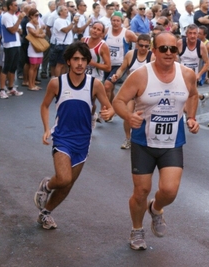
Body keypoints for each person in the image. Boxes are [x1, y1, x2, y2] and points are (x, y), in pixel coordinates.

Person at [112, 31, 199, 250]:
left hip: (173, 142)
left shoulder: (187, 74)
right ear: (154, 51)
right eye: (163, 49)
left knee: (169, 191)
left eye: (173, 49)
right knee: (141, 191)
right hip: (144, 143)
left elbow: (193, 95)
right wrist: (128, 116)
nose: (169, 53)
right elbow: (119, 101)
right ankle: (137, 228)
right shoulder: (141, 75)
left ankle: (156, 209)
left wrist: (191, 118)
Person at [33, 41, 114, 230]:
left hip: (83, 141)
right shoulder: (56, 83)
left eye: (83, 59)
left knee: (68, 185)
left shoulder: (95, 84)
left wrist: (109, 112)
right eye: (76, 59)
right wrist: (46, 129)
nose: (79, 63)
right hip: (62, 137)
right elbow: (44, 105)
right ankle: (47, 184)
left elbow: (108, 106)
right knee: (63, 179)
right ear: (68, 61)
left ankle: (45, 213)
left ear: (88, 62)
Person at [110, 34, 155, 149]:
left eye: (146, 46)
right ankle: (128, 138)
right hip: (131, 91)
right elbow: (122, 68)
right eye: (141, 45)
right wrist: (117, 76)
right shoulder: (130, 55)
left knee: (148, 117)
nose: (144, 48)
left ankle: (148, 139)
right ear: (136, 44)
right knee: (128, 115)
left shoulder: (152, 57)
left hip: (146, 91)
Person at [82, 21, 112, 128]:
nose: (95, 31)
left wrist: (92, 63)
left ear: (102, 34)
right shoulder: (83, 40)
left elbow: (108, 67)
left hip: (95, 78)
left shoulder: (103, 46)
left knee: (89, 101)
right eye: (94, 28)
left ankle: (90, 117)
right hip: (81, 75)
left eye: (98, 29)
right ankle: (87, 117)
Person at [104, 11, 137, 106]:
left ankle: (108, 109)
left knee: (107, 86)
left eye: (118, 21)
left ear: (121, 22)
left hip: (120, 65)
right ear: (110, 21)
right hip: (107, 64)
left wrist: (135, 56)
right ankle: (115, 107)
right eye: (113, 20)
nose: (115, 23)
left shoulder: (127, 33)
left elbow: (140, 41)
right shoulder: (106, 31)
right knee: (110, 88)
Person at [0, 0, 26, 99]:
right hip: (9, 44)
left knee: (13, 67)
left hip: (16, 43)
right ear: (10, 6)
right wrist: (19, 21)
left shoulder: (14, 16)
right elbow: (13, 30)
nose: (17, 7)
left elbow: (20, 30)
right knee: (6, 67)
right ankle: (1, 90)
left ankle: (11, 87)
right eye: (15, 5)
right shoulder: (6, 16)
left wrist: (17, 26)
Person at [177, 24, 209, 103]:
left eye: (195, 33)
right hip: (181, 75)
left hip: (193, 77)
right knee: (182, 97)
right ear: (186, 34)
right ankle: (202, 97)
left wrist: (199, 74)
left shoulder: (201, 46)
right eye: (190, 33)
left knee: (189, 98)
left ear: (197, 34)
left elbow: (207, 63)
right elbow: (173, 58)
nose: (192, 36)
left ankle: (200, 98)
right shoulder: (180, 43)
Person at [26, 8, 45, 91]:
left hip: (39, 47)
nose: (37, 17)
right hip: (33, 47)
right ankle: (30, 85)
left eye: (38, 15)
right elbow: (36, 33)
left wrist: (39, 33)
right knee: (32, 66)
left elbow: (43, 34)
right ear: (31, 16)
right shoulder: (29, 25)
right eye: (36, 15)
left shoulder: (38, 24)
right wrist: (37, 27)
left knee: (36, 66)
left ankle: (33, 83)